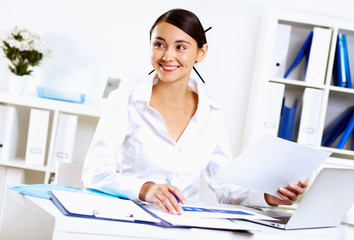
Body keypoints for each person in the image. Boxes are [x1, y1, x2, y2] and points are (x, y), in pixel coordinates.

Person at [82, 8, 307, 216]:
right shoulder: (124, 101)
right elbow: (94, 173)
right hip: (129, 220)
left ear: (201, 52)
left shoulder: (211, 111)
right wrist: (146, 189)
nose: (167, 56)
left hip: (184, 227)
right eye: (159, 44)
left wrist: (268, 196)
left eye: (180, 47)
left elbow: (225, 187)